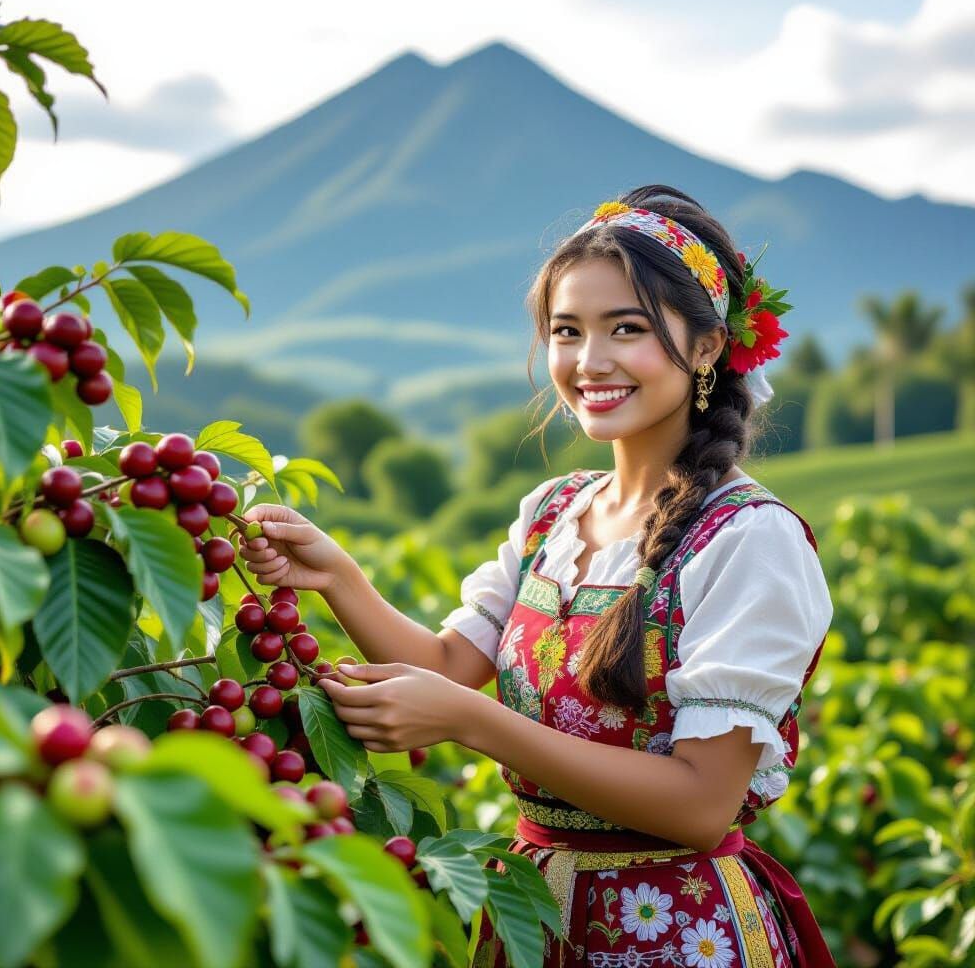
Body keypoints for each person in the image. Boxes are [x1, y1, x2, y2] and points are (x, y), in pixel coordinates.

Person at [240, 184, 836, 967]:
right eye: (567, 331)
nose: (590, 362)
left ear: (705, 347)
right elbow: (450, 668)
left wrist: (473, 721)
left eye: (627, 328)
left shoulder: (749, 539)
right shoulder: (554, 512)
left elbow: (699, 804)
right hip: (533, 918)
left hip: (677, 935)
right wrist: (339, 577)